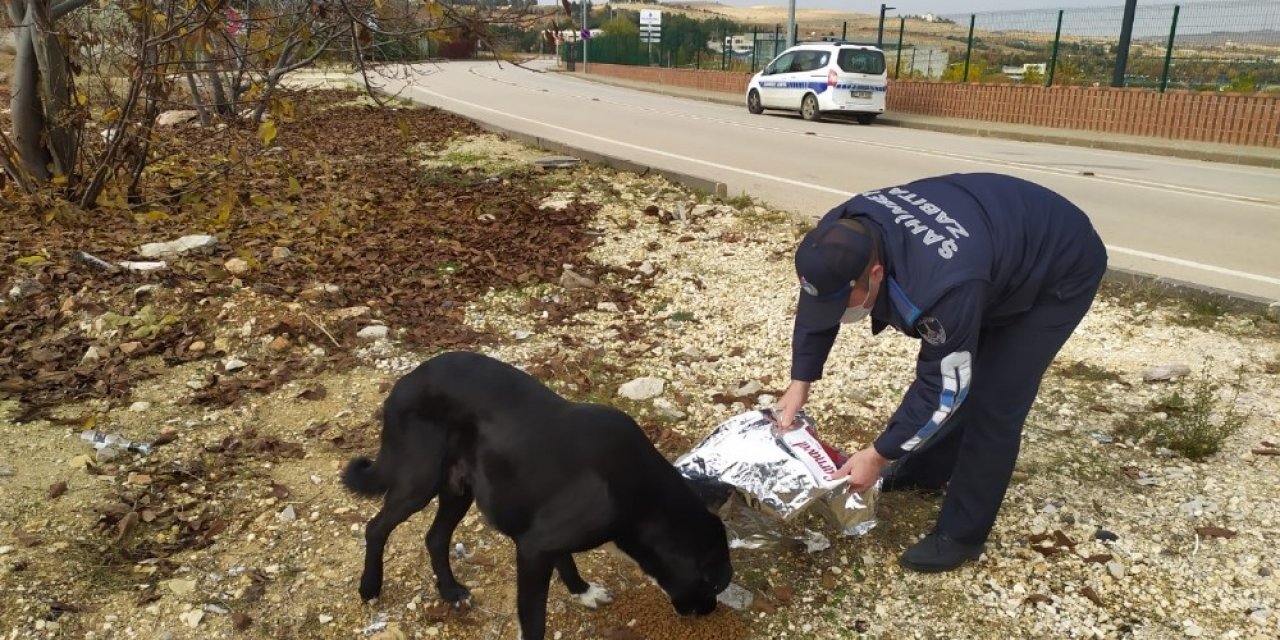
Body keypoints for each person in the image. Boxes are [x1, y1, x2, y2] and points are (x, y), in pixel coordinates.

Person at [773, 172, 1108, 573]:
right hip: (993, 240)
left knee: (994, 399)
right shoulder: (838, 232)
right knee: (969, 362)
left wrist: (879, 455)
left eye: (843, 302)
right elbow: (818, 300)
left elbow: (943, 385)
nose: (836, 313)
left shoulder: (941, 287)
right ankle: (926, 471)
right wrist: (800, 381)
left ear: (876, 273)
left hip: (1059, 262)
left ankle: (961, 534)